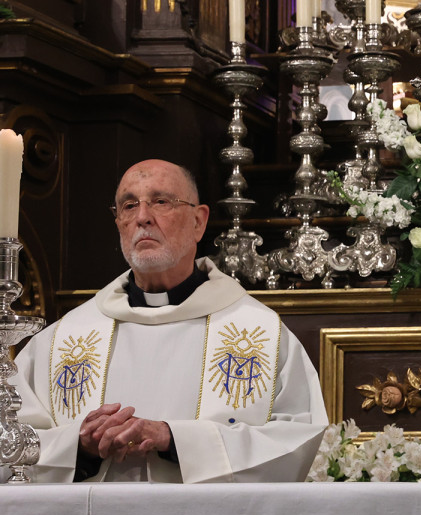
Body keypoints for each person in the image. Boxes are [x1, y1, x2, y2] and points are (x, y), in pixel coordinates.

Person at [12, 159, 328, 483]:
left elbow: (296, 438)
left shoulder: (260, 333)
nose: (142, 217)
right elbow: (9, 441)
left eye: (161, 201)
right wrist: (77, 446)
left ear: (198, 221)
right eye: (129, 205)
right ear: (118, 221)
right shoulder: (62, 340)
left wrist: (175, 440)